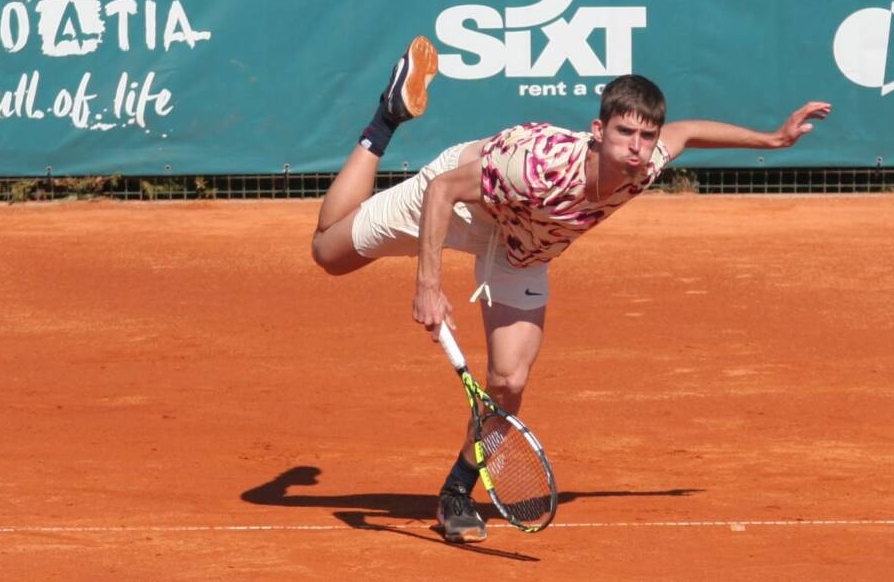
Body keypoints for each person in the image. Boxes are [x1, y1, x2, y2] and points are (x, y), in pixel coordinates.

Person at [310, 35, 831, 543]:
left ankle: (456, 493)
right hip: (464, 201)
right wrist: (428, 286)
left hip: (523, 249)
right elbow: (444, 192)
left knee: (509, 382)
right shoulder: (539, 167)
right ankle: (387, 120)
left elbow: (689, 131)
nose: (637, 147)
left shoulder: (644, 165)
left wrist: (773, 140)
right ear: (597, 130)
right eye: (625, 133)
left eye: (646, 136)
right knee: (328, 253)